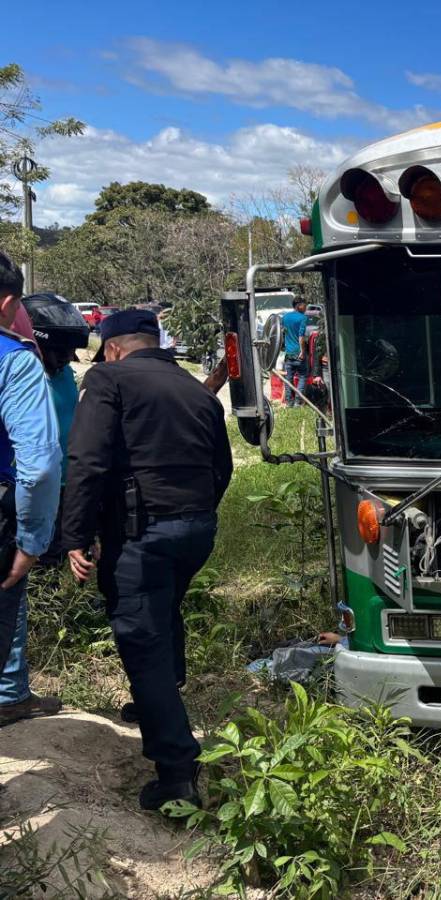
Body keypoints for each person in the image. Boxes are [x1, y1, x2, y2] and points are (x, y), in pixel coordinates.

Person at [63, 309, 233, 809]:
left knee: (141, 639)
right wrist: (195, 514)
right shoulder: (196, 389)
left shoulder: (107, 378)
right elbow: (220, 468)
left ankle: (177, 772)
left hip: (142, 533)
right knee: (164, 608)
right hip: (196, 529)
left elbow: (86, 461)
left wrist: (74, 534)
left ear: (113, 347)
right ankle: (156, 699)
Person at [0, 295, 88, 725]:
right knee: (11, 594)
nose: (71, 359)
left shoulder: (61, 374)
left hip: (57, 491)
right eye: (63, 350)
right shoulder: (22, 370)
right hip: (20, 497)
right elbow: (37, 463)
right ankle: (10, 691)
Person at [0, 253, 63, 727]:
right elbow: (39, 467)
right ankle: (8, 695)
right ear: (7, 303)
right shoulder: (15, 361)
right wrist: (32, 539)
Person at [281, 297, 309, 407]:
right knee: (302, 376)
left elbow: (283, 333)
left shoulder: (285, 317)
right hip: (298, 353)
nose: (306, 307)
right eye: (304, 305)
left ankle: (288, 402)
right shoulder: (302, 318)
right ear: (298, 306)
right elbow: (301, 337)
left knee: (288, 379)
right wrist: (303, 351)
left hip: (288, 354)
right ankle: (298, 402)